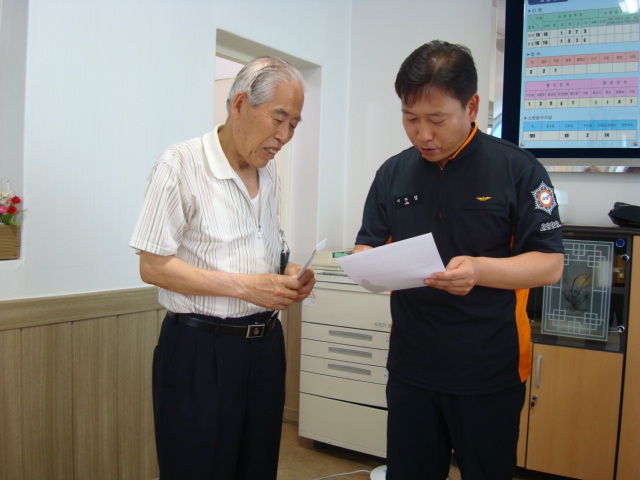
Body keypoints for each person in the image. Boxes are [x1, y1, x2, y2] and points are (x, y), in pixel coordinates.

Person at [353, 41, 564, 480]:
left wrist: (480, 270)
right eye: (410, 119)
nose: (422, 135)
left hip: (489, 367)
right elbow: (368, 245)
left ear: (471, 107)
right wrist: (365, 264)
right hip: (412, 365)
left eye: (436, 120)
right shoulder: (392, 173)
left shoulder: (518, 169)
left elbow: (549, 264)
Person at [129, 56, 315, 480]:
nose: (284, 136)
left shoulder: (268, 172)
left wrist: (289, 272)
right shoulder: (180, 164)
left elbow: (261, 248)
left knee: (256, 467)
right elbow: (152, 266)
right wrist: (246, 288)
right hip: (201, 351)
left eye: (294, 125)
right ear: (240, 105)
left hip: (265, 347)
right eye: (278, 119)